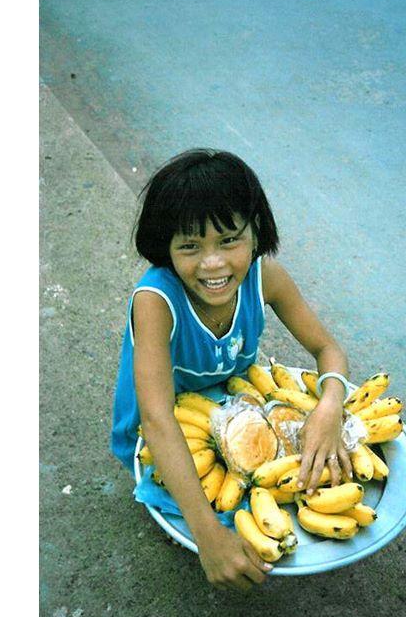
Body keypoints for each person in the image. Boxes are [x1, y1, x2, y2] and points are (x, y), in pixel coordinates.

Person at [111, 148, 352, 593]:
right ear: (165, 248)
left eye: (229, 240)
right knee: (219, 521)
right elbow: (157, 419)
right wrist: (207, 537)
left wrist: (330, 407)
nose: (214, 263)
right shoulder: (156, 302)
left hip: (238, 407)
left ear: (255, 233)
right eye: (190, 246)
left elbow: (327, 348)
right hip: (166, 428)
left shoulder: (267, 277)